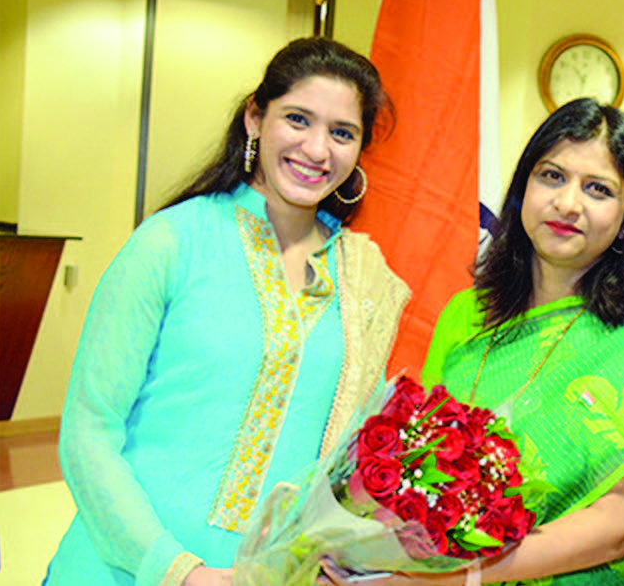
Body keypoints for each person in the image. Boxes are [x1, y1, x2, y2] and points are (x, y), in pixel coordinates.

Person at [45, 37, 411, 586]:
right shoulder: (171, 242)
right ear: (255, 118)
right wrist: (177, 571)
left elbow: (346, 461)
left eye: (342, 133)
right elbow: (88, 433)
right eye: (298, 119)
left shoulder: (365, 280)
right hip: (121, 568)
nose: (317, 149)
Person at [319, 98, 624, 586]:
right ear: (523, 188)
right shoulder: (466, 315)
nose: (568, 203)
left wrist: (453, 580)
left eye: (598, 189)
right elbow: (415, 469)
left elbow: (621, 523)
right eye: (552, 176)